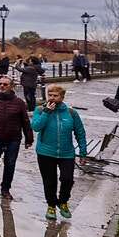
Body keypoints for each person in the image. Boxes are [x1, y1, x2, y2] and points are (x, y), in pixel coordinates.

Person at [30, 85, 87, 221]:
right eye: (50, 95)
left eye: (55, 95)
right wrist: (46, 112)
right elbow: (36, 127)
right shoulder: (40, 110)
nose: (52, 98)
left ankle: (63, 201)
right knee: (50, 181)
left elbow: (80, 132)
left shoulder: (71, 113)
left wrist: (83, 152)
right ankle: (51, 205)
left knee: (67, 179)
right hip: (45, 152)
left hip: (66, 153)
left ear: (62, 97)